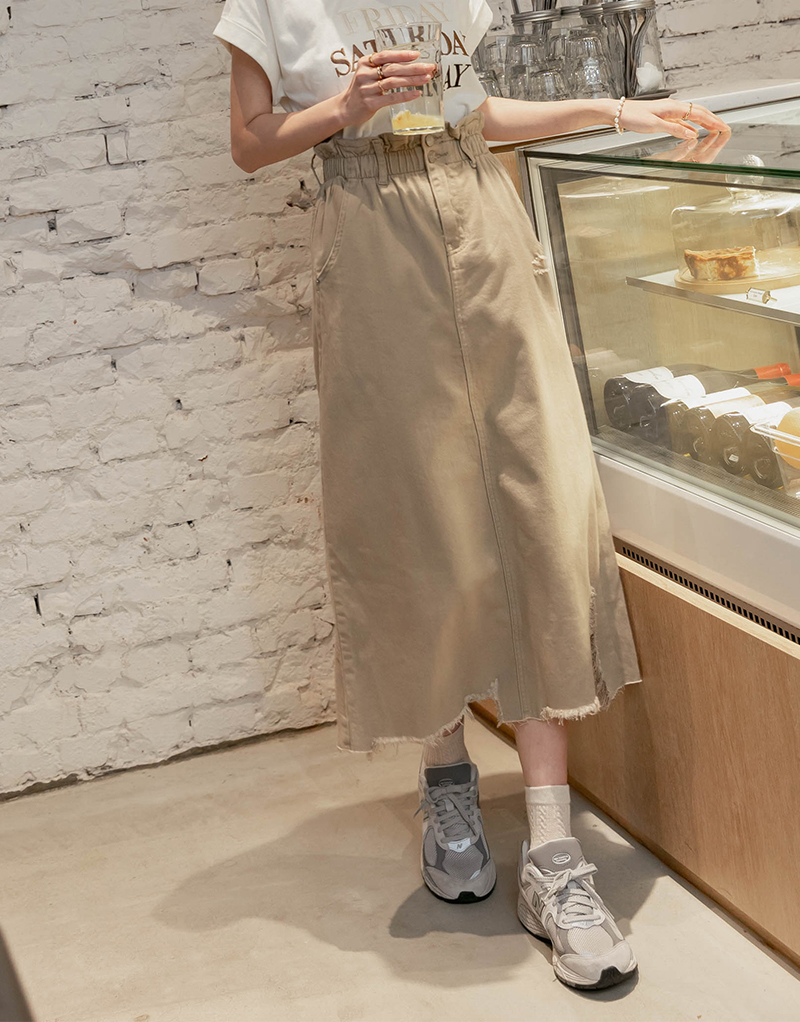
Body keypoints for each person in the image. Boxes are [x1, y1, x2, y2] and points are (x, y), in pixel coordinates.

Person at [212, 0, 730, 992]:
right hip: (370, 237)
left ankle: (552, 851)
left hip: (484, 226)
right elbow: (247, 143)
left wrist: (617, 111)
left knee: (537, 511)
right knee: (416, 518)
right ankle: (445, 780)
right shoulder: (269, 5)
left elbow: (475, 114)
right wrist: (342, 109)